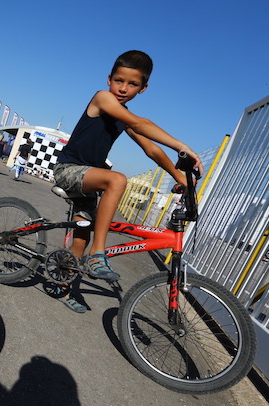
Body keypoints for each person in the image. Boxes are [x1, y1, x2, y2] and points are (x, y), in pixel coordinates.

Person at [53, 50, 203, 313]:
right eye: (118, 81)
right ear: (109, 79)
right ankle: (98, 254)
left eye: (132, 84)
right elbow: (140, 123)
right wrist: (182, 146)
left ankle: (63, 288)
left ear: (143, 88)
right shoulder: (103, 98)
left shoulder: (123, 117)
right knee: (117, 180)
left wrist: (180, 177)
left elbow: (151, 149)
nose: (123, 88)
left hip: (90, 178)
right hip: (68, 170)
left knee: (79, 240)